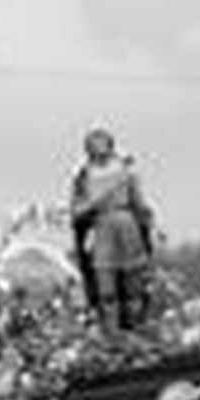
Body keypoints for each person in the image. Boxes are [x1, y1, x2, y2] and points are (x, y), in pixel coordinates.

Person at [70, 128, 154, 332]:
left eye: (102, 145)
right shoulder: (83, 175)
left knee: (133, 286)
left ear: (110, 146)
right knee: (106, 289)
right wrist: (91, 205)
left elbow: (139, 203)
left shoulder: (126, 171)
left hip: (127, 227)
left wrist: (147, 222)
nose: (98, 150)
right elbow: (76, 210)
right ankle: (111, 333)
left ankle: (135, 329)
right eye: (93, 146)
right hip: (101, 229)